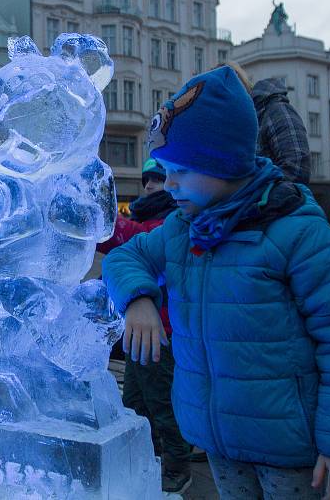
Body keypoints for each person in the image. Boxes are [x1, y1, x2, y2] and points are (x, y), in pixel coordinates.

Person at [103, 66, 330, 500]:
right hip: (215, 436)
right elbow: (125, 256)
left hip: (287, 446)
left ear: (225, 161)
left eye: (181, 171)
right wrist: (138, 297)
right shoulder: (181, 228)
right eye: (166, 170)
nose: (169, 184)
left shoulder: (296, 232)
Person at [98, 159, 191, 494]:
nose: (151, 185)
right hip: (137, 331)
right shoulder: (143, 214)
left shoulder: (173, 220)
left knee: (163, 401)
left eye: (158, 179)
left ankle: (178, 462)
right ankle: (147, 454)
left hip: (163, 330)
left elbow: (135, 240)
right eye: (148, 179)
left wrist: (103, 221)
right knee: (135, 399)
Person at [222, 62, 310, 184]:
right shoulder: (231, 125)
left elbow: (297, 169)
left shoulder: (274, 110)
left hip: (275, 201)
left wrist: (248, 195)